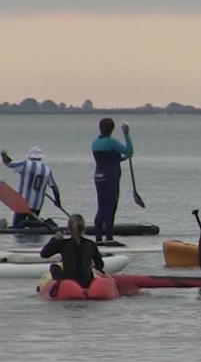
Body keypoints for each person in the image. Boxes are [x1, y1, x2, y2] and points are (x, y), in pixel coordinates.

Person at [91, 118, 133, 246]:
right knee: (111, 206)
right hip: (110, 177)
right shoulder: (111, 142)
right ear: (112, 129)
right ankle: (109, 237)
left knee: (101, 206)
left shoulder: (95, 143)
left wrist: (124, 158)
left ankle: (98, 238)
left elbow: (110, 160)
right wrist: (126, 133)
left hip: (98, 175)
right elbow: (129, 150)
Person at [1, 146, 61, 227]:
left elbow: (8, 163)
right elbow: (54, 187)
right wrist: (57, 201)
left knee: (17, 227)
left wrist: (3, 155)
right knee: (32, 229)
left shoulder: (25, 164)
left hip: (23, 203)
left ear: (30, 156)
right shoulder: (47, 170)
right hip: (37, 204)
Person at [40, 214, 105, 289]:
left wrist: (55, 240)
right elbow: (100, 264)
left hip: (69, 282)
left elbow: (44, 254)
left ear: (68, 228)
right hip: (86, 283)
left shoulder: (63, 243)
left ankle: (60, 285)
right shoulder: (90, 244)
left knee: (54, 267)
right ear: (83, 228)